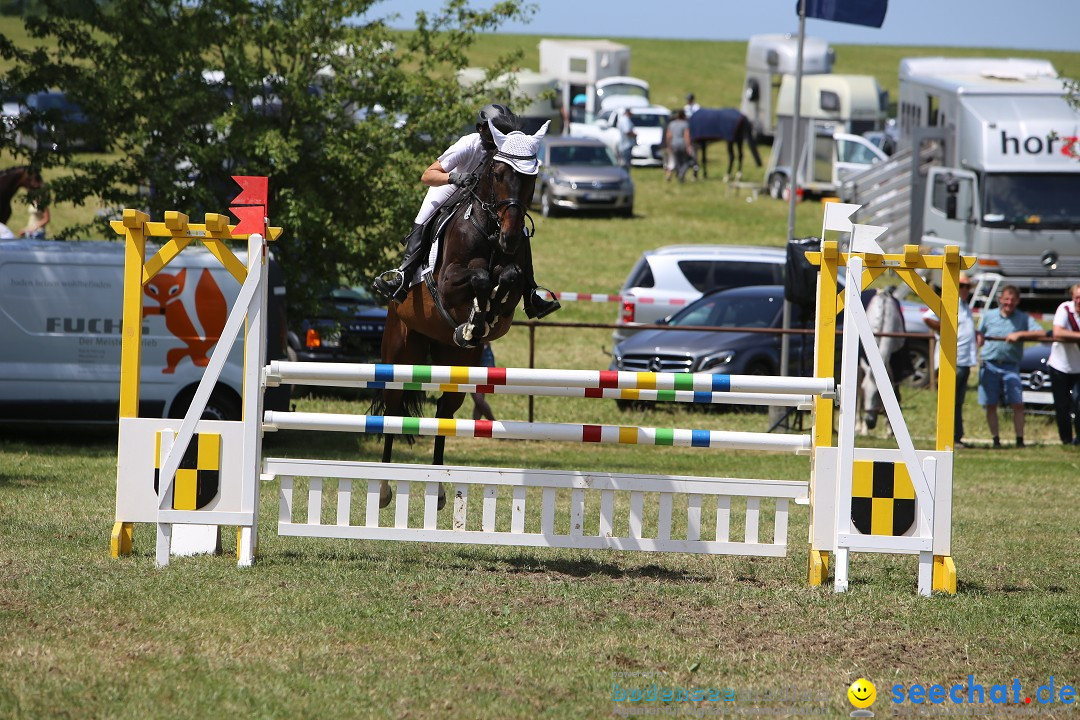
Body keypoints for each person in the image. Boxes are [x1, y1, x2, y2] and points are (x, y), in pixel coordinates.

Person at [372, 103, 559, 319]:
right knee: (426, 216)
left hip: (487, 198)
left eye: (504, 131)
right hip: (453, 185)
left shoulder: (507, 146)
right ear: (481, 129)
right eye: (495, 131)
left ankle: (531, 292)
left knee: (519, 228)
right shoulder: (468, 144)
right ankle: (403, 274)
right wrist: (454, 177)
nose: (501, 136)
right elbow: (428, 175)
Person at [976, 285, 1045, 448]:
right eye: (1006, 299)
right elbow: (979, 334)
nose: (1009, 303)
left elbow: (1041, 332)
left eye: (1013, 300)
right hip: (990, 364)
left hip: (1011, 366)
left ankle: (1020, 440)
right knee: (991, 403)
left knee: (1017, 403)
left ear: (1018, 301)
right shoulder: (988, 316)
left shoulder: (1023, 318)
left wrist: (1020, 334)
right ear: (1000, 300)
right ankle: (995, 440)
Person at [922, 273, 977, 447]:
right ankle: (949, 437)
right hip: (952, 360)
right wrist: (945, 329)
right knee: (950, 401)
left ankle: (956, 437)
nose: (965, 290)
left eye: (967, 286)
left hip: (964, 360)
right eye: (961, 286)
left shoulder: (964, 305)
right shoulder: (949, 301)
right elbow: (927, 317)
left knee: (958, 402)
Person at [1048, 283, 1080, 446]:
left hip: (1078, 367)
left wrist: (1071, 336)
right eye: (1077, 297)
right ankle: (1066, 440)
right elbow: (1057, 332)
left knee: (1079, 403)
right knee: (1062, 406)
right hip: (1060, 365)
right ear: (1072, 297)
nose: (1079, 301)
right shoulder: (1064, 309)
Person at [665, 109, 692, 183]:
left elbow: (668, 136)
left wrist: (668, 145)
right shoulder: (685, 124)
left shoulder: (672, 124)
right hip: (682, 144)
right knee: (686, 162)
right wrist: (688, 146)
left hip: (674, 144)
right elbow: (687, 136)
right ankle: (681, 174)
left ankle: (680, 176)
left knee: (678, 162)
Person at [472, 343, 497, 421]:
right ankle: (495, 426)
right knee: (479, 400)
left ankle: (475, 430)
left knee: (479, 401)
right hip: (471, 354)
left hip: (485, 353)